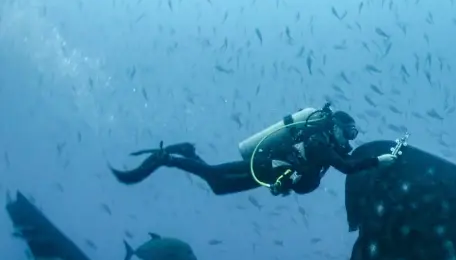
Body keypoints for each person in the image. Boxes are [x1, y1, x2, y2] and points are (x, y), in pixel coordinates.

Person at [111, 104, 402, 196]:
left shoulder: (323, 146)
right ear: (335, 127)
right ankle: (168, 160)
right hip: (263, 167)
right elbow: (348, 166)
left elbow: (344, 161)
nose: (349, 138)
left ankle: (187, 152)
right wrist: (381, 160)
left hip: (268, 170)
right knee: (214, 177)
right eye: (348, 132)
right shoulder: (320, 145)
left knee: (217, 187)